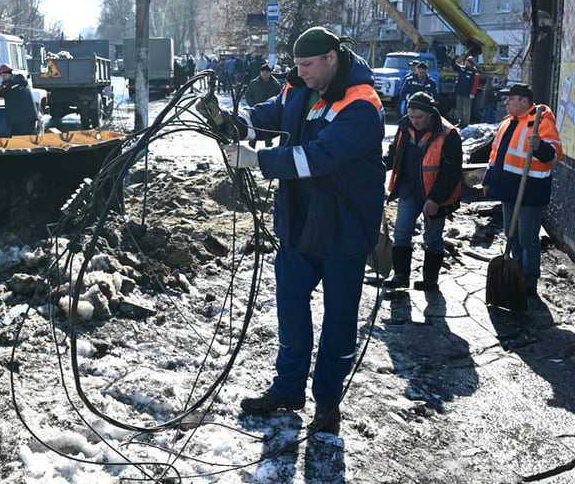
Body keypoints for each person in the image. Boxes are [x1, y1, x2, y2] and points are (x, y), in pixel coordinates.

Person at [198, 26, 385, 435]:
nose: (300, 73)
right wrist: (235, 123)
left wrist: (258, 161)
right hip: (299, 225)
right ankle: (287, 390)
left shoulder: (362, 104)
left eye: (307, 65)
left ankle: (328, 402)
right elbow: (270, 114)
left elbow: (320, 157)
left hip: (343, 230)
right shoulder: (299, 85)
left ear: (332, 58)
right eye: (296, 66)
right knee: (291, 313)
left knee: (338, 322)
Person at [480, 83, 563, 296]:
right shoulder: (507, 123)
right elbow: (495, 154)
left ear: (524, 101)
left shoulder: (541, 123)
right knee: (512, 236)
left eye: (511, 98)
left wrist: (540, 147)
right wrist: (487, 180)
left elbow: (554, 156)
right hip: (508, 189)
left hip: (530, 190)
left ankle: (528, 281)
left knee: (528, 239)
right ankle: (514, 275)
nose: (506, 102)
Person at [382, 91, 463, 292]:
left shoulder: (448, 134)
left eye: (419, 117)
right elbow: (394, 154)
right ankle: (400, 276)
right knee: (401, 233)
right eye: (411, 116)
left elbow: (451, 173)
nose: (414, 121)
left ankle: (430, 279)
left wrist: (435, 199)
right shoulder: (404, 127)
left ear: (430, 114)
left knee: (432, 238)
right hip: (409, 190)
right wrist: (376, 167)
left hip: (434, 194)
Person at [0, 64, 40, 136]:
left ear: (10, 73)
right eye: (1, 75)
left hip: (23, 119)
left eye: (5, 74)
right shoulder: (14, 82)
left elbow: (6, 91)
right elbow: (5, 88)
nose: (3, 77)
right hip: (23, 118)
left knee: (20, 139)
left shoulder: (18, 82)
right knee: (25, 139)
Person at [453, 56, 480, 126]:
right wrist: (453, 59)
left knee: (466, 108)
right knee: (459, 107)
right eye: (466, 61)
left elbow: (475, 83)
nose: (466, 63)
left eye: (468, 62)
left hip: (467, 93)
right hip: (459, 91)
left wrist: (472, 93)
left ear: (471, 64)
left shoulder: (474, 72)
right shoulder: (462, 68)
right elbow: (455, 66)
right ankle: (461, 121)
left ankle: (466, 123)